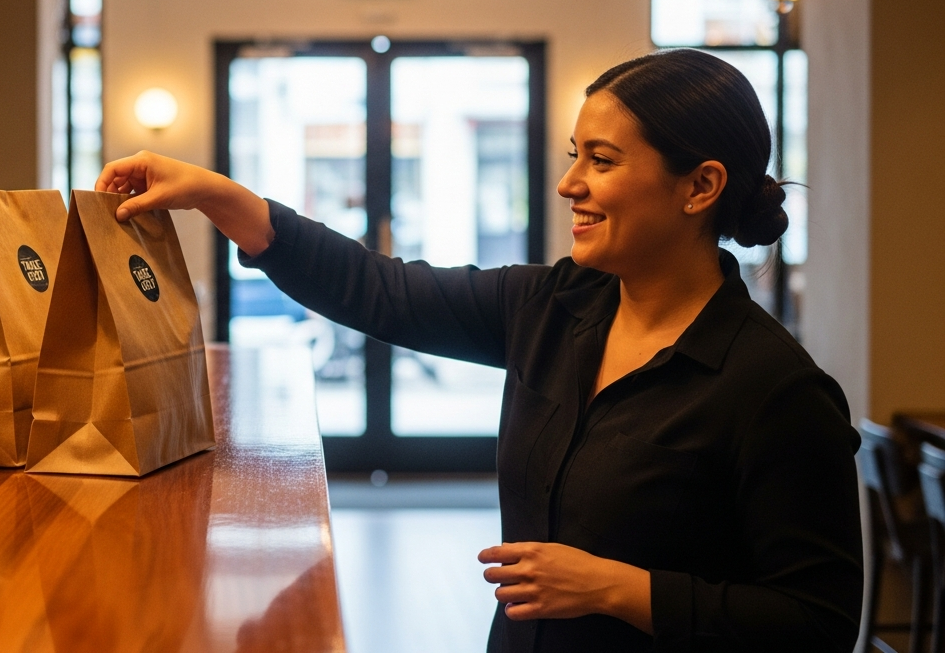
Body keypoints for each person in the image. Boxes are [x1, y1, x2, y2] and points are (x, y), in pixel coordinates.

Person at [95, 49, 863, 652]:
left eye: (601, 160)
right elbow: (378, 289)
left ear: (700, 186)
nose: (569, 184)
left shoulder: (773, 389)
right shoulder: (552, 307)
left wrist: (619, 589)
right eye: (574, 155)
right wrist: (213, 194)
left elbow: (818, 621)